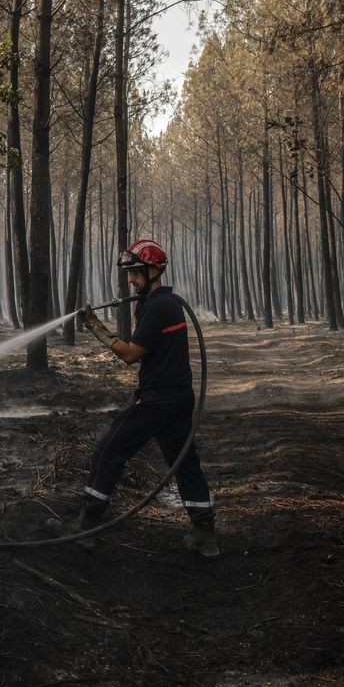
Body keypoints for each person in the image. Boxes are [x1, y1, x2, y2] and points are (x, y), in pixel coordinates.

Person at [45, 238, 219, 558]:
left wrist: (98, 330)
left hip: (158, 400)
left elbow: (130, 355)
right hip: (179, 396)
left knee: (108, 451)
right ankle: (205, 534)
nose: (131, 279)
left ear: (154, 271)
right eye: (129, 274)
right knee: (185, 463)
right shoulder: (165, 304)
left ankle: (86, 527)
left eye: (136, 273)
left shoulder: (159, 307)